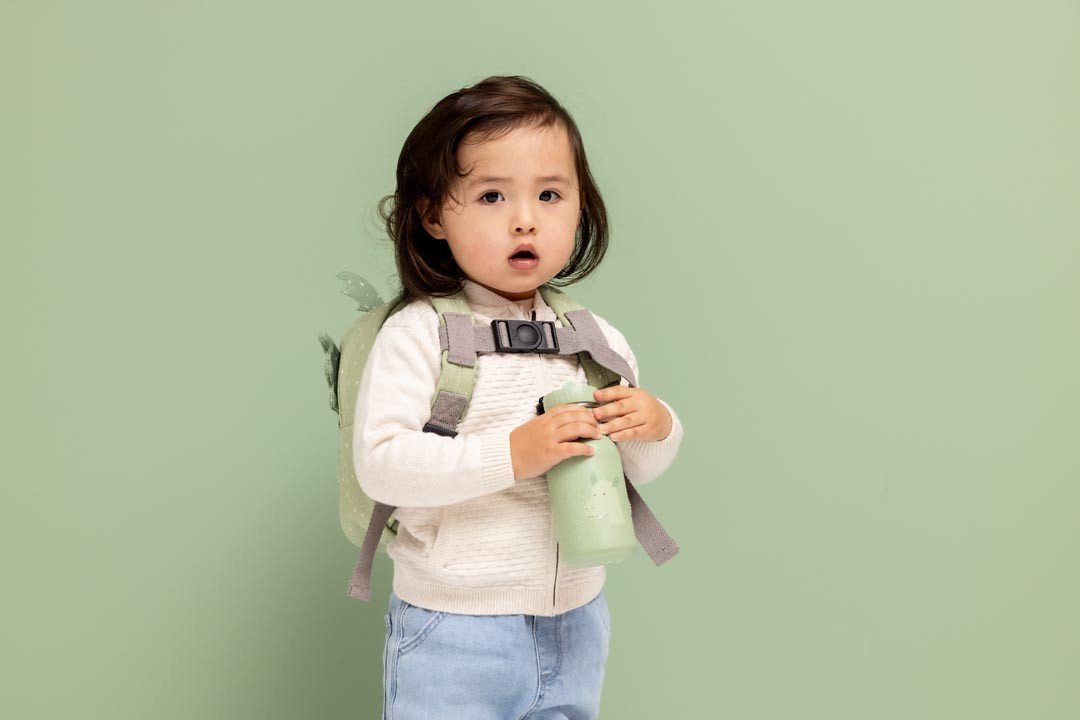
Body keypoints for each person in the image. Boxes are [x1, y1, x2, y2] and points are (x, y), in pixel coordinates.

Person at [354, 75, 685, 719]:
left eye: (551, 194)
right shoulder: (420, 333)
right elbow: (382, 463)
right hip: (454, 629)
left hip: (576, 621)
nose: (525, 218)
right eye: (491, 195)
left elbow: (637, 471)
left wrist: (654, 425)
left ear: (581, 206)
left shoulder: (593, 340)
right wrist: (511, 454)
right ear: (432, 215)